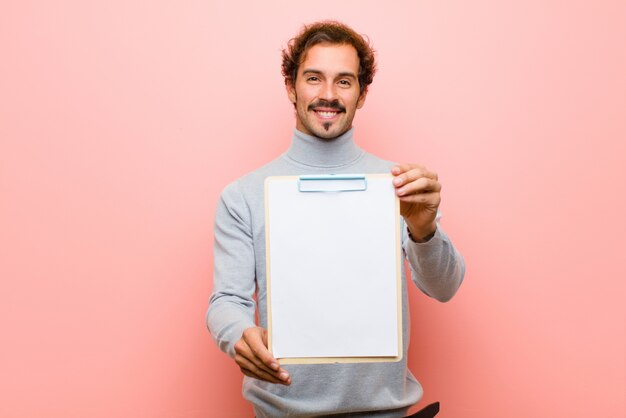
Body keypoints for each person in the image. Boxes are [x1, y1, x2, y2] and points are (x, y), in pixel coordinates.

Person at [206, 20, 465, 418]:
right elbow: (227, 301)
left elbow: (444, 287)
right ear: (291, 87)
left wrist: (424, 229)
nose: (328, 95)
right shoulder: (243, 195)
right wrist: (238, 335)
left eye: (344, 82)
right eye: (314, 78)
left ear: (361, 94)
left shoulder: (399, 186)